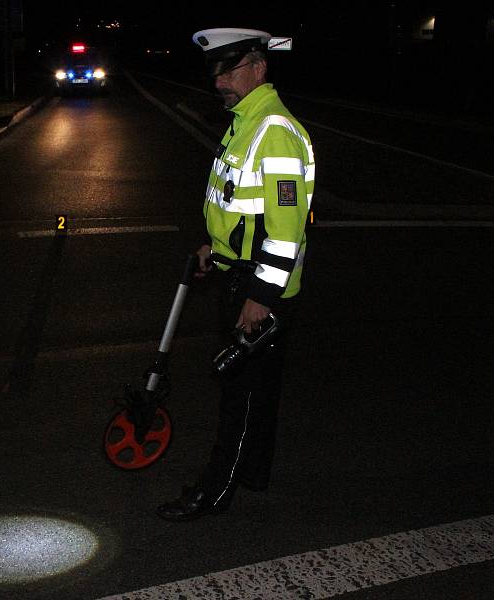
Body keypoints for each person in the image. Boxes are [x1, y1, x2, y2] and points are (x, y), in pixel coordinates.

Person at [156, 28, 315, 521]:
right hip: (240, 272)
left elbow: (285, 230)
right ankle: (253, 474)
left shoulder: (275, 132)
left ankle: (213, 492)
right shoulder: (245, 122)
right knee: (259, 388)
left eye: (229, 69)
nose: (218, 80)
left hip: (258, 285)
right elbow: (242, 207)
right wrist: (215, 249)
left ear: (259, 67)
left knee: (237, 394)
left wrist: (260, 296)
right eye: (214, 70)